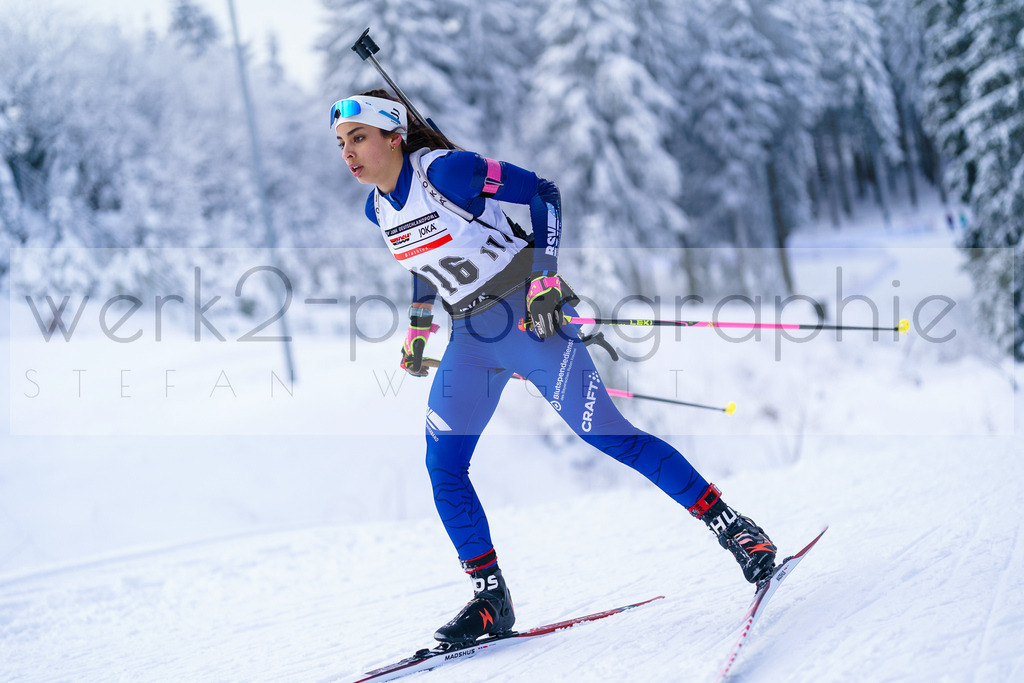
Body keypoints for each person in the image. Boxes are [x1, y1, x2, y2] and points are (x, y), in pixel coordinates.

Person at [330, 90, 777, 645]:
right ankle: (491, 599)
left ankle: (735, 530)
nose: (349, 153)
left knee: (611, 437)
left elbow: (545, 194)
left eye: (359, 138)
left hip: (526, 315)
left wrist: (545, 277)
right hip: (471, 337)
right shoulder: (376, 206)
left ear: (394, 135)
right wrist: (420, 324)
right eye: (343, 143)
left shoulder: (447, 172)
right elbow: (422, 261)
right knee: (443, 466)